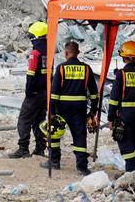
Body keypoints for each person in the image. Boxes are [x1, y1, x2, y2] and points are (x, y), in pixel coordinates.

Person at [44, 40, 98, 176]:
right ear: (78, 53)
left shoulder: (61, 68)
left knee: (54, 132)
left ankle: (54, 161)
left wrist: (51, 112)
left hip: (62, 108)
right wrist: (93, 111)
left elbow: (54, 93)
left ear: (66, 53)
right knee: (80, 136)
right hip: (79, 108)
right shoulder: (86, 69)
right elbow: (93, 92)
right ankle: (82, 167)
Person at [107, 41, 135, 173]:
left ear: (124, 57)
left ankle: (131, 173)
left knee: (126, 144)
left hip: (124, 115)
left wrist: (111, 118)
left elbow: (114, 100)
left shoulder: (121, 75)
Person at [8, 21, 49, 159]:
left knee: (24, 120)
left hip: (35, 93)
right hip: (45, 92)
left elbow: (31, 74)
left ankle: (23, 148)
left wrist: (28, 92)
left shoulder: (35, 53)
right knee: (39, 120)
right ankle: (40, 148)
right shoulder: (49, 53)